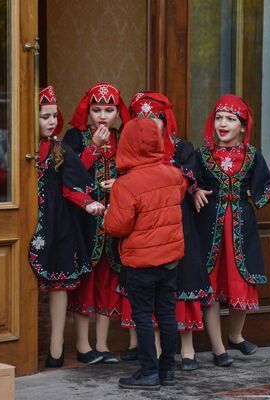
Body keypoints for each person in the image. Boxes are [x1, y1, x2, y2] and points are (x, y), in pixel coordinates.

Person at [192, 94, 270, 367]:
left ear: (243, 126)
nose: (223, 124)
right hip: (209, 228)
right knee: (210, 285)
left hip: (239, 228)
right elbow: (188, 181)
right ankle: (218, 348)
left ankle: (235, 335)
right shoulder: (201, 155)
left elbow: (265, 185)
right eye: (219, 118)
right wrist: (195, 190)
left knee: (242, 282)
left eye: (231, 119)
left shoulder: (252, 156)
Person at [129, 92, 212, 371]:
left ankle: (187, 349)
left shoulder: (182, 148)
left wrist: (195, 189)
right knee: (150, 292)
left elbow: (187, 180)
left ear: (166, 120)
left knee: (183, 284)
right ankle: (155, 350)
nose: (150, 124)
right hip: (145, 227)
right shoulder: (133, 150)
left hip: (178, 224)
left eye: (155, 118)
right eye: (142, 118)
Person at [104, 118, 187, 391]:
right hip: (170, 259)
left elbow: (118, 227)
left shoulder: (126, 185)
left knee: (142, 314)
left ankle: (148, 372)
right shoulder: (174, 174)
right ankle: (168, 370)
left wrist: (106, 216)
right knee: (167, 313)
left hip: (141, 261)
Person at [29, 85, 105, 368]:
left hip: (57, 225)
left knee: (58, 284)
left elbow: (73, 182)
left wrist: (88, 203)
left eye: (53, 116)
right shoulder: (20, 150)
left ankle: (56, 348)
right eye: (43, 116)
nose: (50, 121)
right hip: (26, 224)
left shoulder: (59, 148)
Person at [63, 82, 131, 364]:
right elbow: (67, 172)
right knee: (85, 281)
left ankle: (102, 345)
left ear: (118, 112)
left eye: (109, 110)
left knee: (109, 279)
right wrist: (93, 147)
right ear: (87, 112)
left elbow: (134, 171)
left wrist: (120, 183)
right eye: (96, 110)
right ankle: (82, 345)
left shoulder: (123, 138)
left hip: (114, 219)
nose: (103, 116)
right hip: (83, 219)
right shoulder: (75, 137)